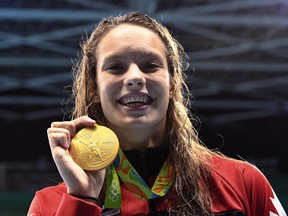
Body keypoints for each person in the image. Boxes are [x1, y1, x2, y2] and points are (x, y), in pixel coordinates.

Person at [27, 11, 287, 216]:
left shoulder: (243, 183)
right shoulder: (50, 206)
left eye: (150, 65)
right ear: (94, 88)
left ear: (172, 84)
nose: (135, 78)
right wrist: (81, 201)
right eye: (116, 67)